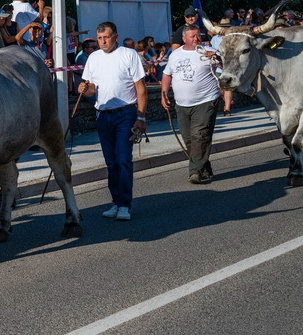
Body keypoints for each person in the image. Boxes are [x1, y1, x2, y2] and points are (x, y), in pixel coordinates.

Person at [78, 22, 147, 220]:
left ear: (115, 36)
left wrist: (141, 117)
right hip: (103, 114)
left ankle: (125, 204)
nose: (103, 41)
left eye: (106, 37)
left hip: (125, 113)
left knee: (123, 159)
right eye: (99, 38)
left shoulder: (128, 54)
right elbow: (92, 90)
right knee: (111, 162)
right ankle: (116, 202)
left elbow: (140, 87)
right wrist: (84, 90)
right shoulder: (93, 58)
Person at [160, 27, 231, 184]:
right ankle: (205, 168)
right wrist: (163, 94)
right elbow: (167, 74)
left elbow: (228, 67)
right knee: (189, 139)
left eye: (198, 35)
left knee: (200, 135)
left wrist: (217, 57)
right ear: (184, 39)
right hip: (182, 104)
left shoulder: (209, 51)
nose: (197, 39)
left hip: (206, 101)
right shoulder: (176, 55)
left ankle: (195, 172)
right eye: (193, 36)